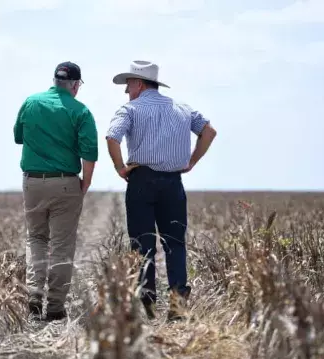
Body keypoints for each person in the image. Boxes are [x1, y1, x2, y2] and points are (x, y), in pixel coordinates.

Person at [105, 60, 217, 321]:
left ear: (140, 84)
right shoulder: (182, 108)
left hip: (141, 181)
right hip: (173, 183)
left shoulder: (130, 109)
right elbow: (209, 131)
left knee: (142, 244)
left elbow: (112, 137)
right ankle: (178, 306)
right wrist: (191, 161)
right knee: (175, 244)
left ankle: (148, 305)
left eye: (128, 84)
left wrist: (121, 168)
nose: (126, 91)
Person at [13, 61, 98, 321]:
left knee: (36, 239)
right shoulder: (80, 110)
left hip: (32, 182)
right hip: (65, 183)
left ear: (54, 80)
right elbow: (90, 152)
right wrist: (86, 182)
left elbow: (18, 136)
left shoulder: (31, 102)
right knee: (62, 244)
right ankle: (56, 307)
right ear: (74, 85)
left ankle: (34, 295)